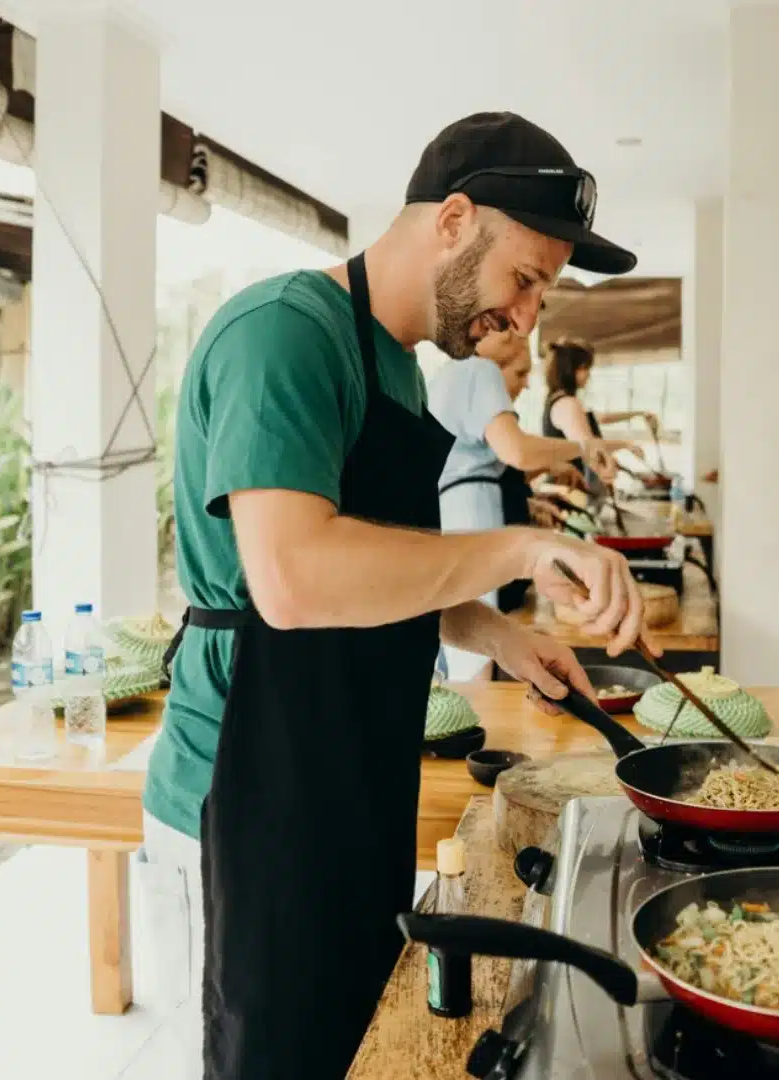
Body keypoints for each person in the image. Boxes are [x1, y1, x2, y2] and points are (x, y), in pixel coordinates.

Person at [139, 111, 645, 1080]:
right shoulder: (285, 335)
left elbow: (383, 568)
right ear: (453, 220)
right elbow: (293, 579)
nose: (529, 317)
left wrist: (496, 633)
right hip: (241, 803)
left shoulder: (399, 373)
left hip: (349, 784)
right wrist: (526, 546)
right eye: (527, 278)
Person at [430, 330, 630, 677]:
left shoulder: (446, 373)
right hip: (473, 505)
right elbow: (517, 451)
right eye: (506, 327)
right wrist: (585, 446)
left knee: (464, 637)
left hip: (450, 508)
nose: (516, 334)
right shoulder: (480, 369)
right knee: (480, 645)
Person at [540, 337, 658, 495]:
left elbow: (600, 418)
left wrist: (638, 414)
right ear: (569, 370)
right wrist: (626, 444)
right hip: (571, 487)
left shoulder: (558, 399)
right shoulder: (568, 403)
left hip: (569, 485)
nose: (589, 374)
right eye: (585, 368)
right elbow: (588, 447)